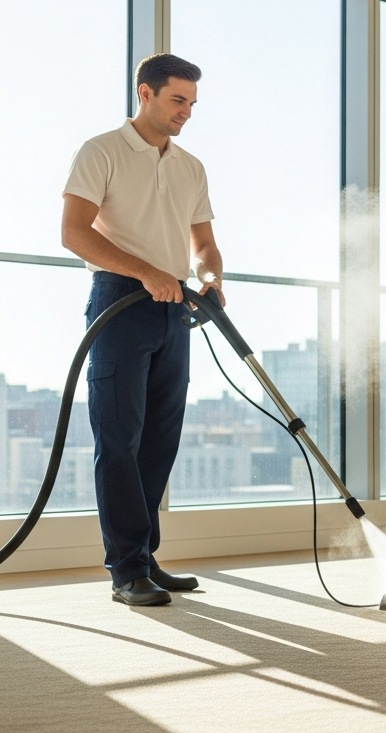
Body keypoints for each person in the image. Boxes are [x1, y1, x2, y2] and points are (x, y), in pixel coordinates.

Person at [60, 53, 225, 606]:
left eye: (193, 104)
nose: (187, 113)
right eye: (178, 100)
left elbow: (202, 244)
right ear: (145, 93)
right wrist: (146, 271)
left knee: (160, 439)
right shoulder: (101, 151)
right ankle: (126, 570)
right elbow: (74, 233)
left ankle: (145, 557)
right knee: (120, 438)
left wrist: (211, 277)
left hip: (174, 306)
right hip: (119, 303)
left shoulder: (190, 166)